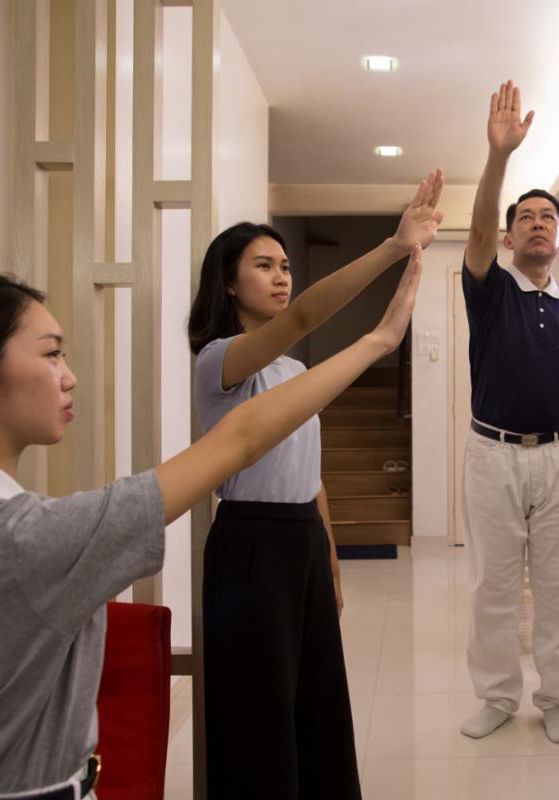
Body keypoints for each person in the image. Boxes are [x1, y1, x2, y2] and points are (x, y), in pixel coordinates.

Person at [0, 254, 421, 799]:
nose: (69, 376)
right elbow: (240, 439)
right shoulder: (29, 540)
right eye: (51, 354)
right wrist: (378, 340)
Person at [187, 170, 443, 797]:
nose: (281, 276)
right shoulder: (218, 360)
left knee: (316, 696)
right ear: (227, 281)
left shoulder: (290, 368)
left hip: (300, 537)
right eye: (263, 265)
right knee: (257, 705)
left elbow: (312, 474)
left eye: (284, 264)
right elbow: (303, 315)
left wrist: (327, 555)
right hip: (248, 543)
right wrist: (391, 248)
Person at [459, 81, 559, 745]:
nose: (538, 222)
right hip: (494, 455)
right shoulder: (488, 291)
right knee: (492, 584)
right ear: (510, 235)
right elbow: (479, 227)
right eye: (527, 217)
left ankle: (557, 696)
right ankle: (496, 696)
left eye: (549, 217)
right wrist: (498, 157)